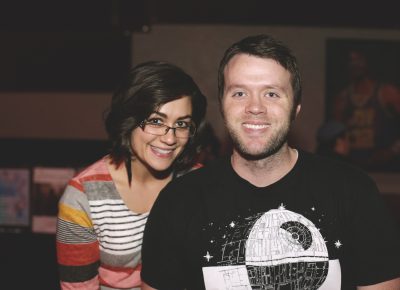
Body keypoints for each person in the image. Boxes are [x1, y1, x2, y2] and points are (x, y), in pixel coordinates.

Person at [141, 35, 400, 289]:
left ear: (296, 107)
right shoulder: (178, 202)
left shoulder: (353, 190)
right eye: (240, 93)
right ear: (222, 105)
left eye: (272, 94)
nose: (255, 107)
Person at [56, 61, 207, 289]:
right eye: (156, 121)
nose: (170, 138)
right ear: (128, 120)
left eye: (182, 124)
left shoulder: (197, 183)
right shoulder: (83, 196)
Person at [331, 48, 400, 171]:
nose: (355, 65)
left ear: (368, 62)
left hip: (384, 168)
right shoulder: (342, 98)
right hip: (353, 166)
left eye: (359, 60)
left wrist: (393, 150)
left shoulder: (386, 92)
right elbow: (336, 136)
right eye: (351, 61)